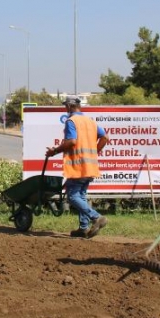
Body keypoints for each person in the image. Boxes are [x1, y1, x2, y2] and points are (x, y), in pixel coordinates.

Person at [46, 96, 109, 238]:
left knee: (73, 196)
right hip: (90, 166)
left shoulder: (71, 121)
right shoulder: (90, 121)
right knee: (81, 196)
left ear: (69, 106)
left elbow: (72, 142)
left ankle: (96, 217)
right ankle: (83, 228)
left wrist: (54, 151)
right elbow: (105, 137)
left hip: (78, 166)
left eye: (65, 106)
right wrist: (95, 152)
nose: (65, 109)